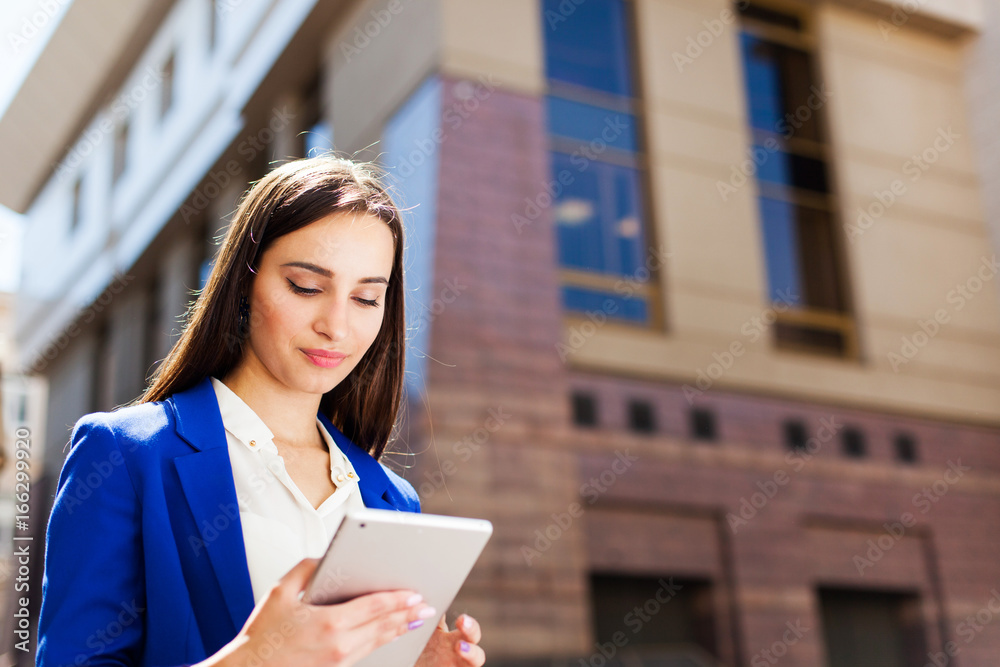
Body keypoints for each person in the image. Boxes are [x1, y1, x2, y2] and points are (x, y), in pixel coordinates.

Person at [36, 157, 486, 667]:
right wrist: (253, 659)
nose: (336, 326)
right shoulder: (125, 454)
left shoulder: (391, 496)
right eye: (307, 287)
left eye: (366, 298)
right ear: (245, 285)